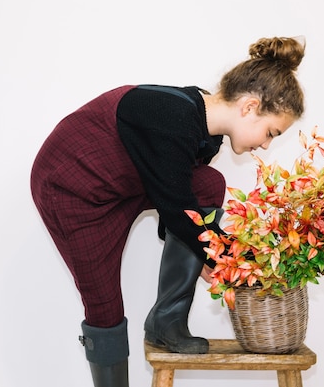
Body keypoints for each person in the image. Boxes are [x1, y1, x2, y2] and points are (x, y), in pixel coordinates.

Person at [30, 36, 306, 387]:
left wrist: (207, 254)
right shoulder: (172, 117)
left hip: (123, 185)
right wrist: (238, 261)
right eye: (270, 132)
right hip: (72, 189)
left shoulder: (206, 134)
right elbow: (178, 211)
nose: (266, 144)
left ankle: (167, 323)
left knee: (207, 183)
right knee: (105, 307)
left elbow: (175, 198)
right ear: (250, 106)